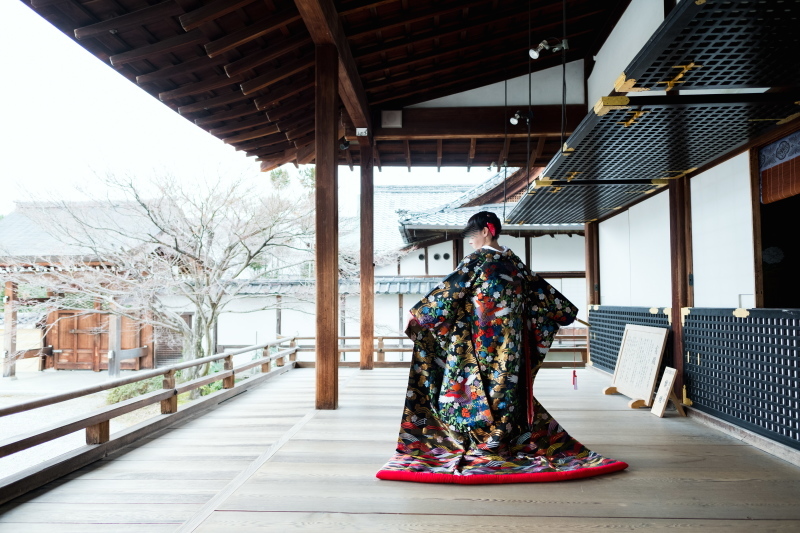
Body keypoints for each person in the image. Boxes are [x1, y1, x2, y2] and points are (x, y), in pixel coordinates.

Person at [376, 211, 627, 484]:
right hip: (511, 342)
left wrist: (421, 315)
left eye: (472, 237)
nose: (470, 243)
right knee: (503, 388)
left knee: (484, 389)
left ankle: (488, 442)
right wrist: (563, 312)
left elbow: (449, 292)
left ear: (486, 231)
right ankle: (498, 441)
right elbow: (542, 293)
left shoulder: (478, 260)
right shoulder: (514, 263)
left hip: (481, 341)